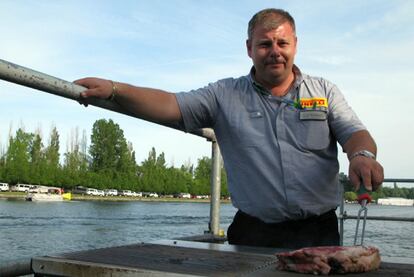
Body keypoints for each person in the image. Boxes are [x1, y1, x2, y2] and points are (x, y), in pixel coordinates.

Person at [75, 8, 384, 249]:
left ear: (295, 46)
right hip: (253, 231)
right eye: (264, 44)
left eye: (282, 43)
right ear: (249, 48)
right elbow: (171, 104)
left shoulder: (324, 91)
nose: (274, 51)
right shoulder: (223, 95)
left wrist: (362, 156)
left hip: (318, 232)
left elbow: (354, 132)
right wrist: (116, 89)